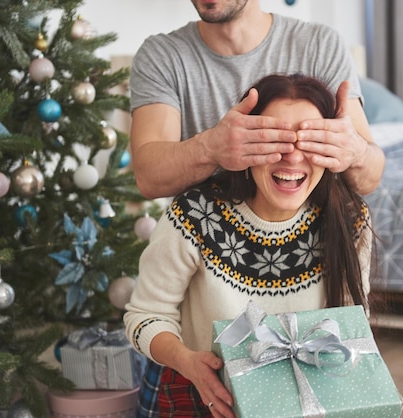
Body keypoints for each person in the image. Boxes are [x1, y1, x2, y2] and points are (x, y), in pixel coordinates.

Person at [124, 73, 375, 418]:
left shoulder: (350, 219)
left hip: (312, 400)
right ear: (245, 146)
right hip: (208, 399)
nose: (292, 157)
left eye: (311, 141)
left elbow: (350, 330)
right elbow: (145, 317)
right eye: (274, 140)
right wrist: (189, 362)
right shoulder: (194, 215)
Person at [129, 0, 385, 203]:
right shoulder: (161, 56)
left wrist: (355, 151)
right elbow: (148, 178)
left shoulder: (320, 45)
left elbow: (369, 180)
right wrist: (210, 148)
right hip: (205, 248)